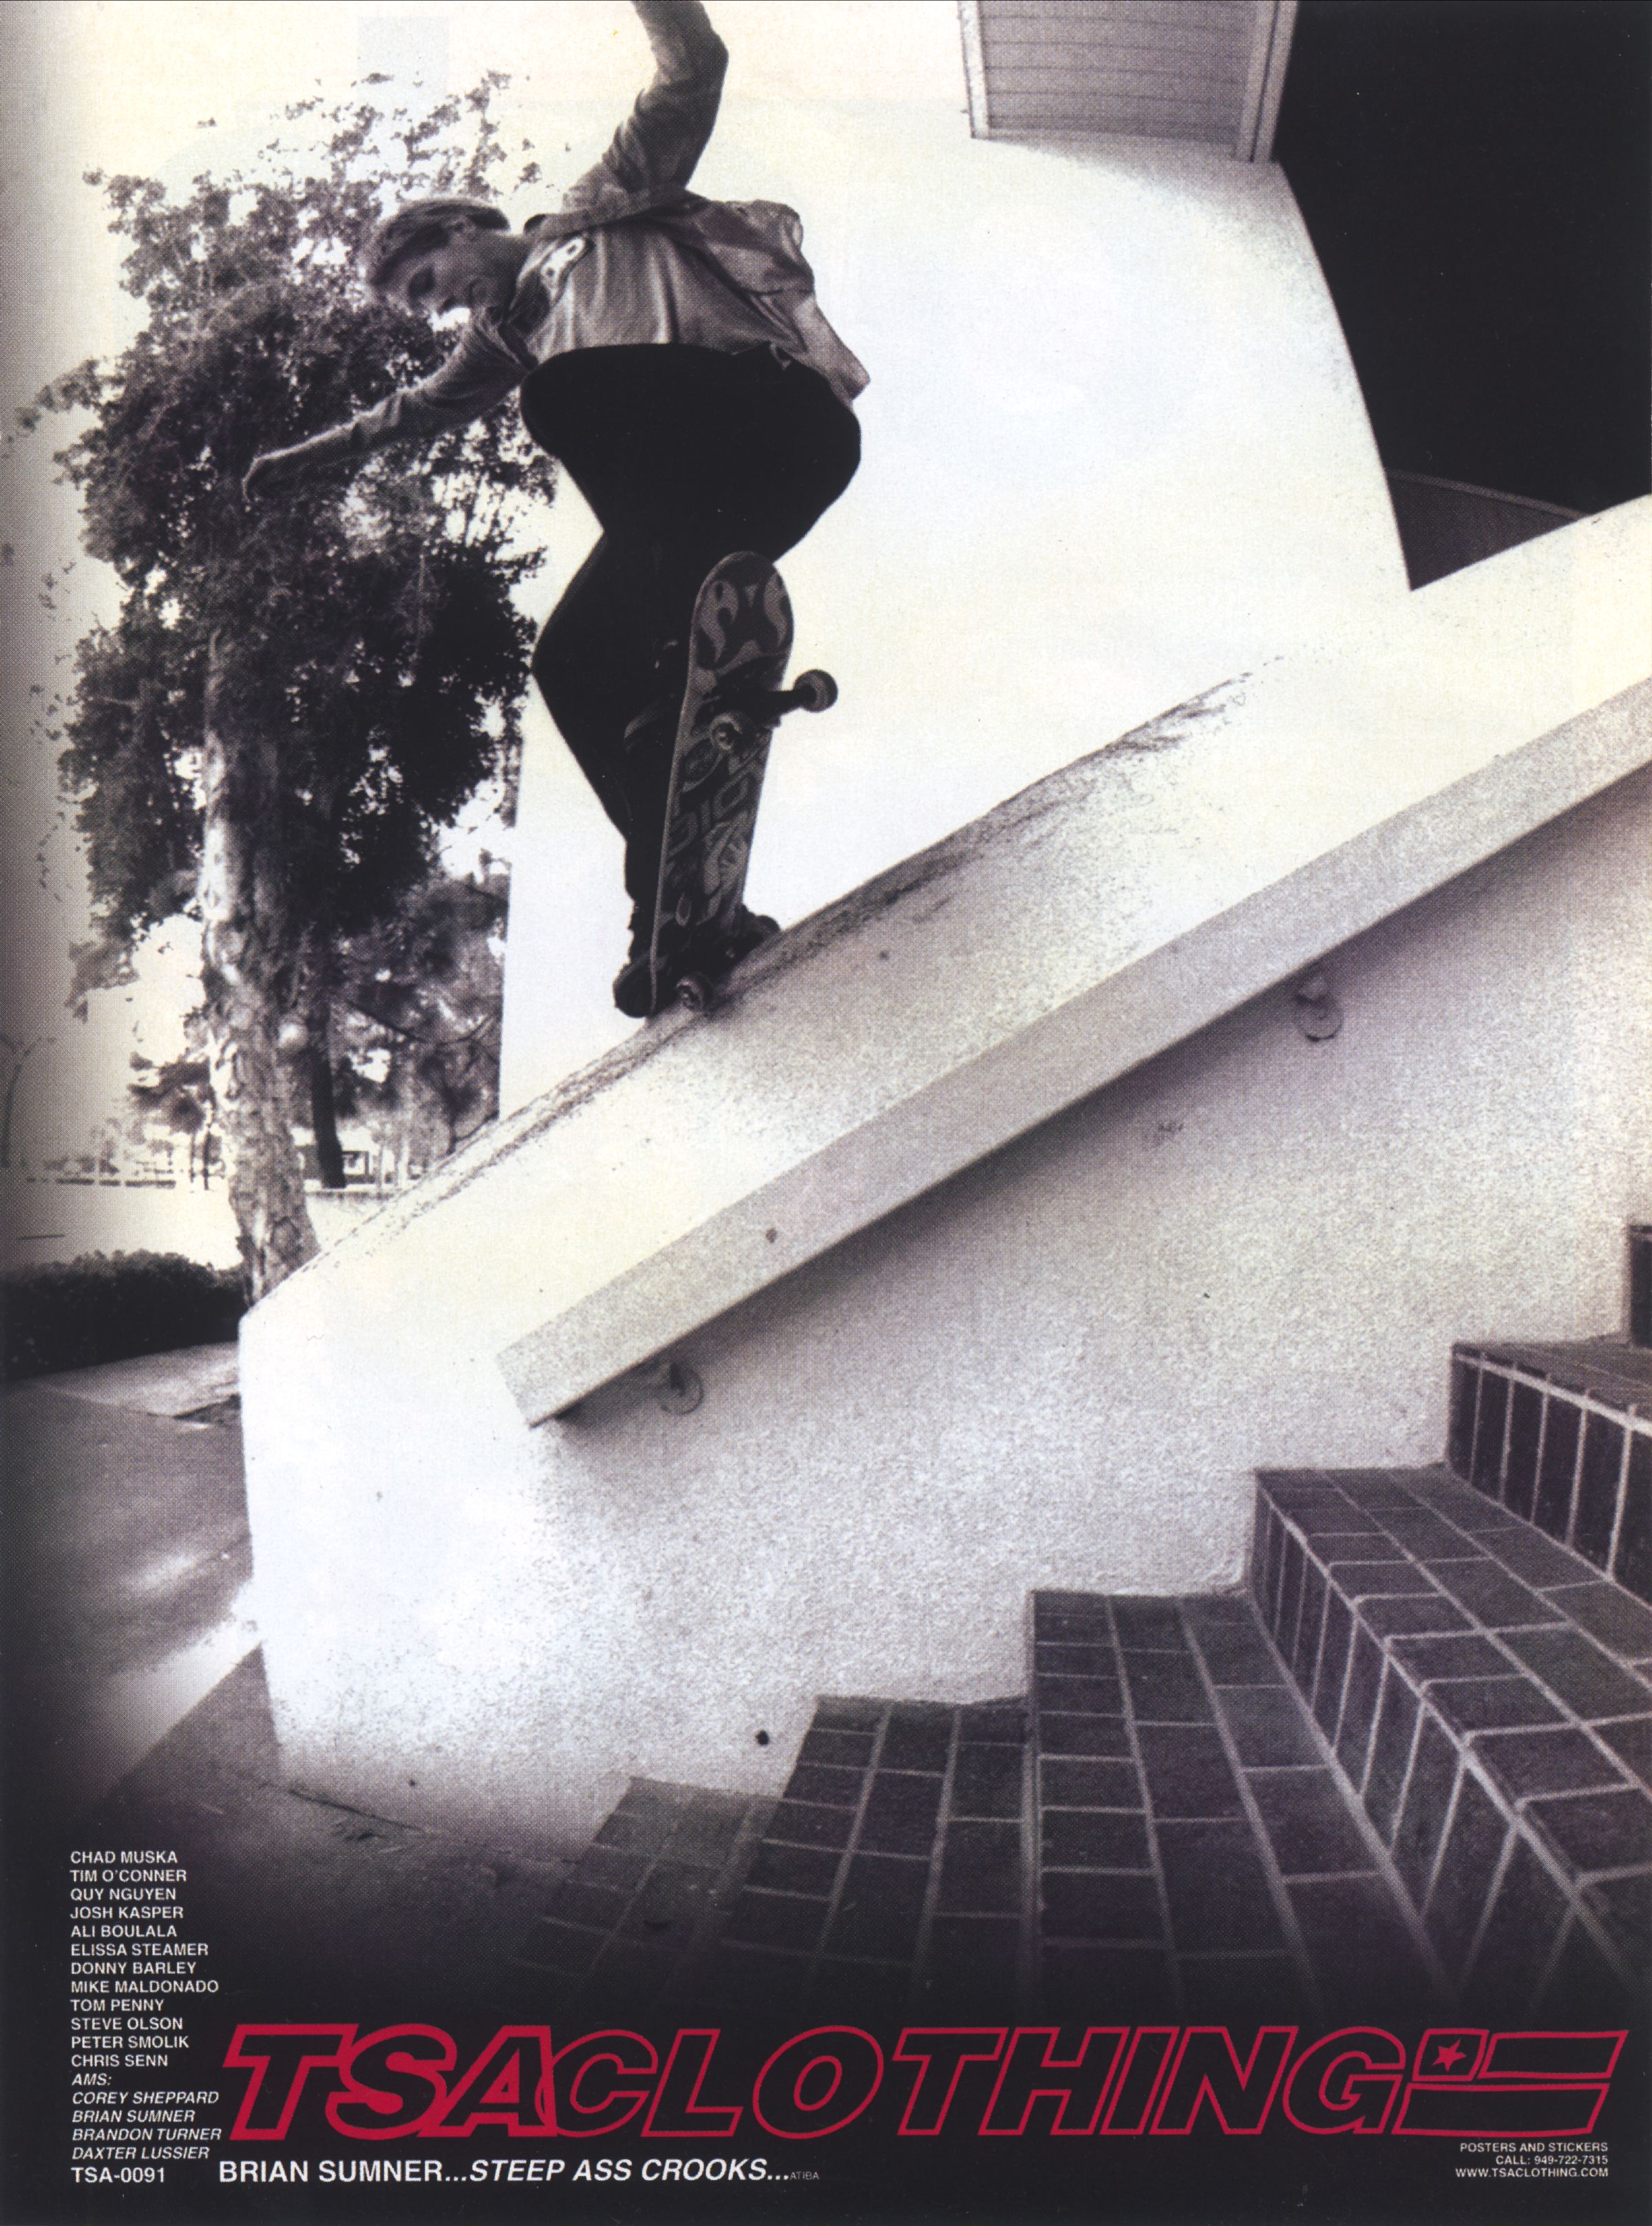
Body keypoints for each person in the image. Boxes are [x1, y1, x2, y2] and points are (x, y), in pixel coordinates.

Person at [244, 0, 865, 1016]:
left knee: (559, 395)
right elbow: (412, 412)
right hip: (705, 511)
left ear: (463, 228)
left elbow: (692, 69)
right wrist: (300, 461)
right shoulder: (504, 335)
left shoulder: (601, 204)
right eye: (425, 309)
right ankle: (681, 911)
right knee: (571, 662)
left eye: (432, 283)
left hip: (773, 425)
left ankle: (668, 636)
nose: (444, 311)